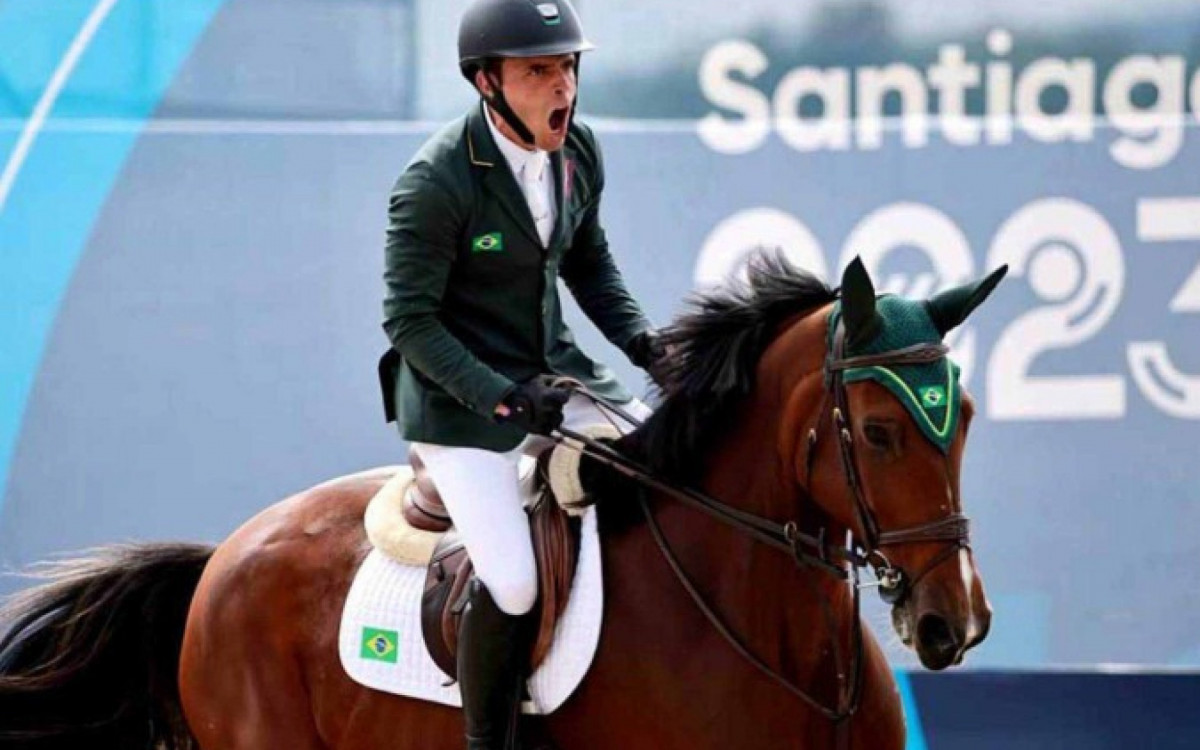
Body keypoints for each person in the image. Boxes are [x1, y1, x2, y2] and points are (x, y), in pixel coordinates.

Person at [378, 0, 667, 746]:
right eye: (538, 70)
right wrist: (500, 398)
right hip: (458, 406)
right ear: (486, 82)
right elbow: (409, 322)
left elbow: (588, 262)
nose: (562, 86)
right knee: (511, 581)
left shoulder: (579, 154)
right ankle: (489, 738)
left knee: (669, 473)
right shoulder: (437, 182)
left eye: (568, 66)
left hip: (556, 379)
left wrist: (644, 344)